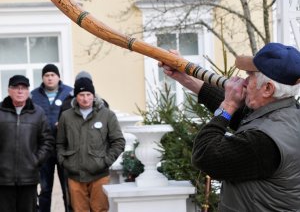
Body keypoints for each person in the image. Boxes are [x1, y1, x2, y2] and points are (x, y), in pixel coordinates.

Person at [159, 42, 300, 211]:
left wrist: (228, 105)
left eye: (250, 76)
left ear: (267, 89)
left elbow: (205, 154)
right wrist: (184, 76)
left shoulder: (264, 141)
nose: (244, 81)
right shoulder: (286, 113)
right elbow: (242, 114)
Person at [57, 77, 125, 212]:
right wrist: (65, 162)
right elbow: (60, 143)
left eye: (88, 94)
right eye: (81, 95)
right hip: (75, 175)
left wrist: (105, 161)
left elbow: (118, 141)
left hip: (99, 175)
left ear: (93, 96)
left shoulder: (107, 115)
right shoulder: (66, 116)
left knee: (100, 209)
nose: (85, 98)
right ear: (76, 96)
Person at [0, 75, 54, 212]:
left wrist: (35, 160)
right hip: (3, 178)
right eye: (16, 88)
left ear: (28, 91)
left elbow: (47, 141)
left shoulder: (38, 113)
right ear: (9, 90)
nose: (19, 91)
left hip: (29, 177)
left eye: (23, 88)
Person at [31, 64, 73, 212]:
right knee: (45, 189)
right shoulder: (33, 95)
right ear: (42, 78)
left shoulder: (70, 93)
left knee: (67, 189)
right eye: (46, 75)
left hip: (65, 148)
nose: (50, 78)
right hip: (43, 148)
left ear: (58, 77)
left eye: (52, 75)